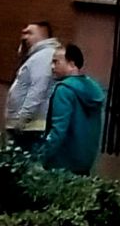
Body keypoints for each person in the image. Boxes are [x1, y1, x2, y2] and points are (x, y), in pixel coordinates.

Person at [38, 43, 105, 176]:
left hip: (61, 164)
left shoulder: (64, 90)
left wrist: (42, 157)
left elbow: (58, 130)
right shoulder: (93, 89)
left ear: (72, 64)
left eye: (56, 62)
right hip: (85, 162)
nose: (52, 67)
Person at [4, 21, 58, 147]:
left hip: (31, 126)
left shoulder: (44, 56)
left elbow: (38, 88)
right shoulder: (37, 56)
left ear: (43, 35)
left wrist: (22, 119)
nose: (24, 37)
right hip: (28, 125)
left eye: (29, 33)